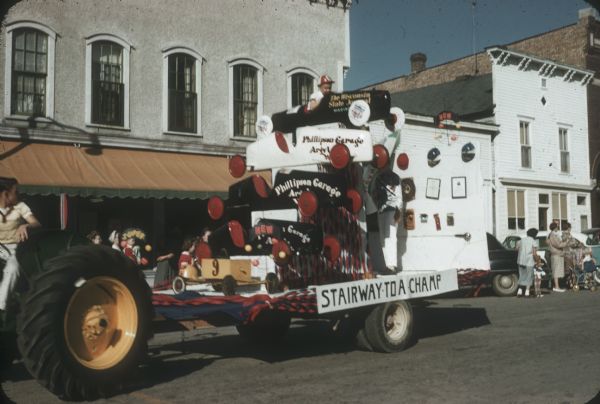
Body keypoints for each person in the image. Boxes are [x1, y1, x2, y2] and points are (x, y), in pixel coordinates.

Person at [0, 177, 41, 311]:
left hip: (16, 249)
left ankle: (2, 306)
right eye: (16, 191)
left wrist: (26, 226)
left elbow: (36, 224)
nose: (19, 194)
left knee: (12, 267)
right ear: (6, 194)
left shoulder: (20, 207)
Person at [373, 169, 402, 273]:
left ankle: (392, 265)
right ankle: (387, 265)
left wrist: (398, 210)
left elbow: (399, 196)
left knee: (391, 237)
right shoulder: (378, 177)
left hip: (392, 210)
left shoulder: (395, 177)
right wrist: (377, 207)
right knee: (383, 239)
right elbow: (374, 194)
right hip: (381, 210)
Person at [516, 228, 538, 297]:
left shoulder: (521, 240)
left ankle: (519, 291)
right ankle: (527, 292)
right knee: (529, 277)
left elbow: (516, 248)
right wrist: (537, 260)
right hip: (529, 261)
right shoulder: (533, 241)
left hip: (520, 260)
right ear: (534, 234)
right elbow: (534, 253)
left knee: (522, 276)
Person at [547, 222, 568, 292]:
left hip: (557, 254)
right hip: (556, 255)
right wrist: (566, 243)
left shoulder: (552, 235)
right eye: (557, 227)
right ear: (555, 227)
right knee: (556, 271)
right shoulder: (553, 235)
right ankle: (556, 287)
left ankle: (557, 286)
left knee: (557, 271)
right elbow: (558, 244)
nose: (558, 228)